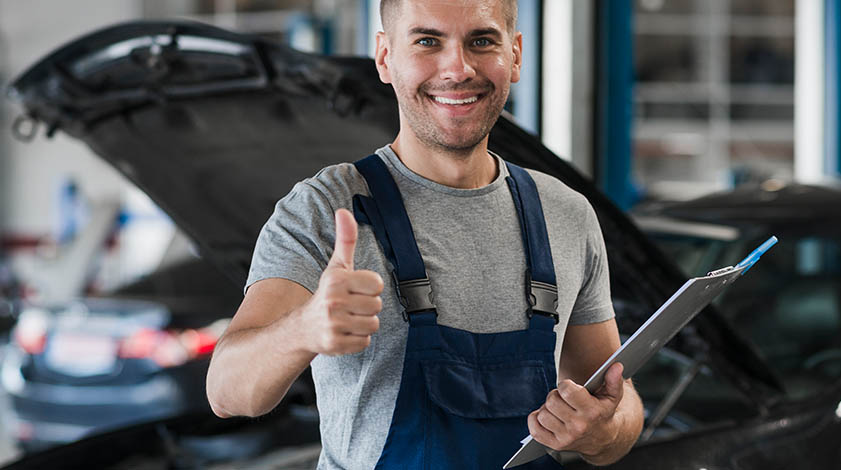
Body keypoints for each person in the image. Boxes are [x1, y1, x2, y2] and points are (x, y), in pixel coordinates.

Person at [204, 0, 644, 468]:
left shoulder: (566, 214)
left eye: (481, 41)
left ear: (515, 55)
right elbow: (227, 393)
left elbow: (618, 397)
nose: (457, 68)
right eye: (427, 41)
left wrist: (602, 431)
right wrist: (304, 328)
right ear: (385, 57)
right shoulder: (324, 209)